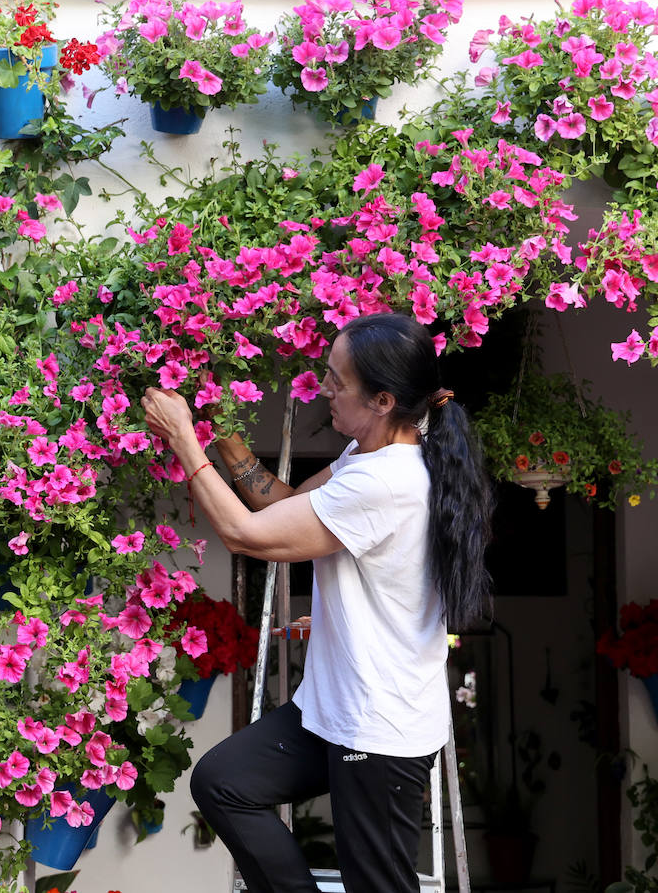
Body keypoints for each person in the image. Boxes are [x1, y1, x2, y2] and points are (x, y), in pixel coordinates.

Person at [141, 312, 492, 893]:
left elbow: (246, 537)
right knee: (225, 782)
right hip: (336, 707)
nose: (325, 390)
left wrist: (183, 439)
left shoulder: (385, 481)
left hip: (377, 728)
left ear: (382, 400)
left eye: (337, 381)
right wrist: (224, 436)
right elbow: (287, 504)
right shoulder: (370, 456)